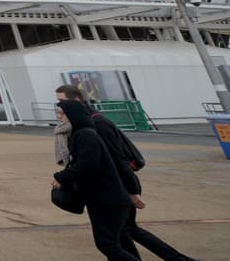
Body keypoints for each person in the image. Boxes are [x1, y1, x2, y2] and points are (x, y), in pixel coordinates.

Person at [55, 85, 200, 261]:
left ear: (75, 102)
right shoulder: (84, 127)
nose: (58, 108)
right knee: (123, 235)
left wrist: (132, 190)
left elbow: (118, 159)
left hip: (117, 190)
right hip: (111, 190)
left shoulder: (97, 126)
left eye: (61, 102)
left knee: (117, 238)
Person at [52, 98, 142, 260]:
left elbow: (88, 164)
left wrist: (61, 177)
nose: (59, 117)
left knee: (107, 244)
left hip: (109, 199)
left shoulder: (85, 135)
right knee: (116, 243)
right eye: (58, 113)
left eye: (62, 113)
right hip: (100, 198)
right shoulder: (78, 134)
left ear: (73, 114)